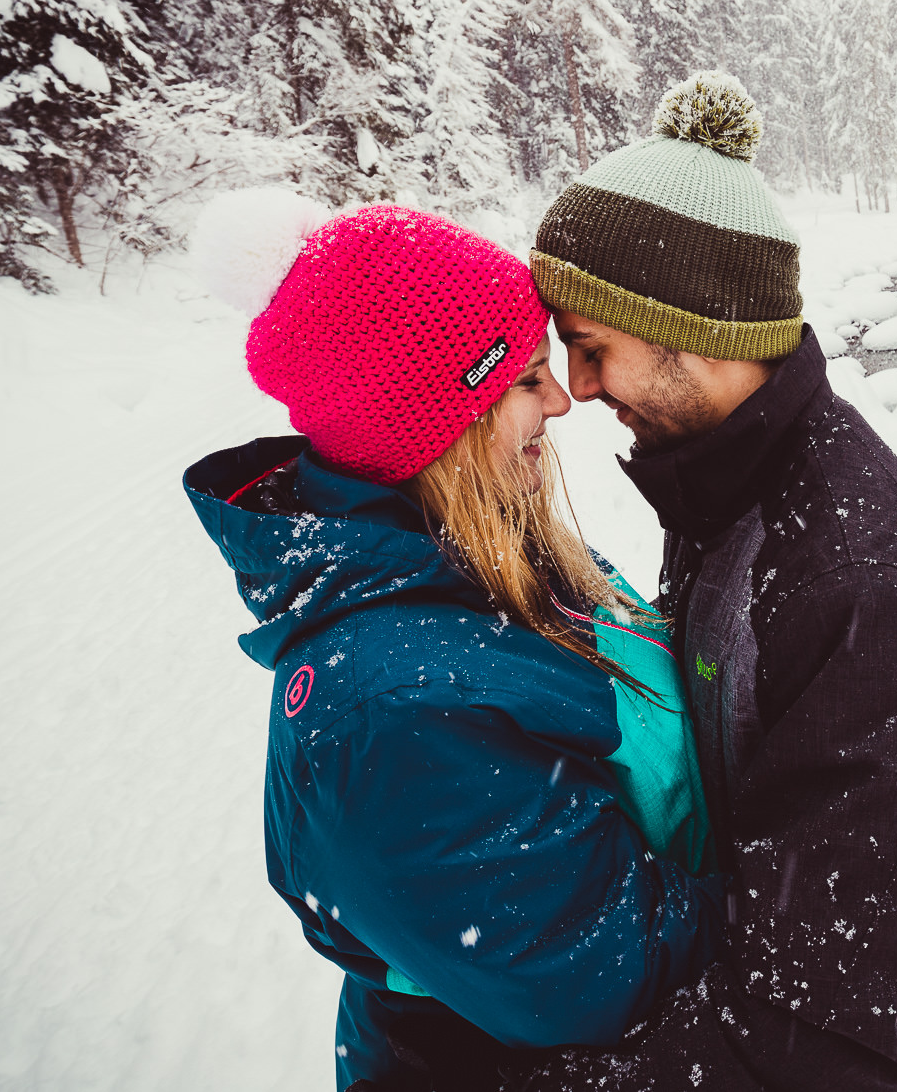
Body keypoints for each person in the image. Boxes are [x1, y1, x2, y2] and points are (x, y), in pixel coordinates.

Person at [507, 73, 897, 1092]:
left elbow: (822, 1032)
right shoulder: (731, 479)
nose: (575, 390)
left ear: (689, 326)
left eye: (590, 347)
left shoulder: (855, 579)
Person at [181, 198, 720, 1090]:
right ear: (441, 426)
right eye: (525, 378)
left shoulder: (493, 547)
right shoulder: (391, 716)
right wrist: (880, 893)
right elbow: (624, 969)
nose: (561, 399)